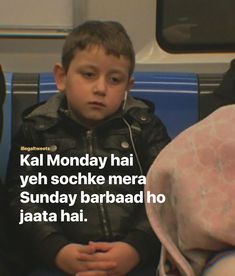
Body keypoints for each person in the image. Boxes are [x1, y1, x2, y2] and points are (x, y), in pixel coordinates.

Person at [6, 21, 170, 276]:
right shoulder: (38, 131)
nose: (101, 88)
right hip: (60, 257)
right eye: (89, 74)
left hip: (139, 258)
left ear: (128, 87)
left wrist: (135, 247)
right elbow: (24, 198)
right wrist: (57, 250)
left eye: (115, 79)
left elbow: (164, 193)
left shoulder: (144, 128)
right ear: (61, 77)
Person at [145, 104, 235, 275]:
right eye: (89, 75)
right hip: (218, 253)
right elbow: (159, 200)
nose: (100, 89)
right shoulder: (219, 128)